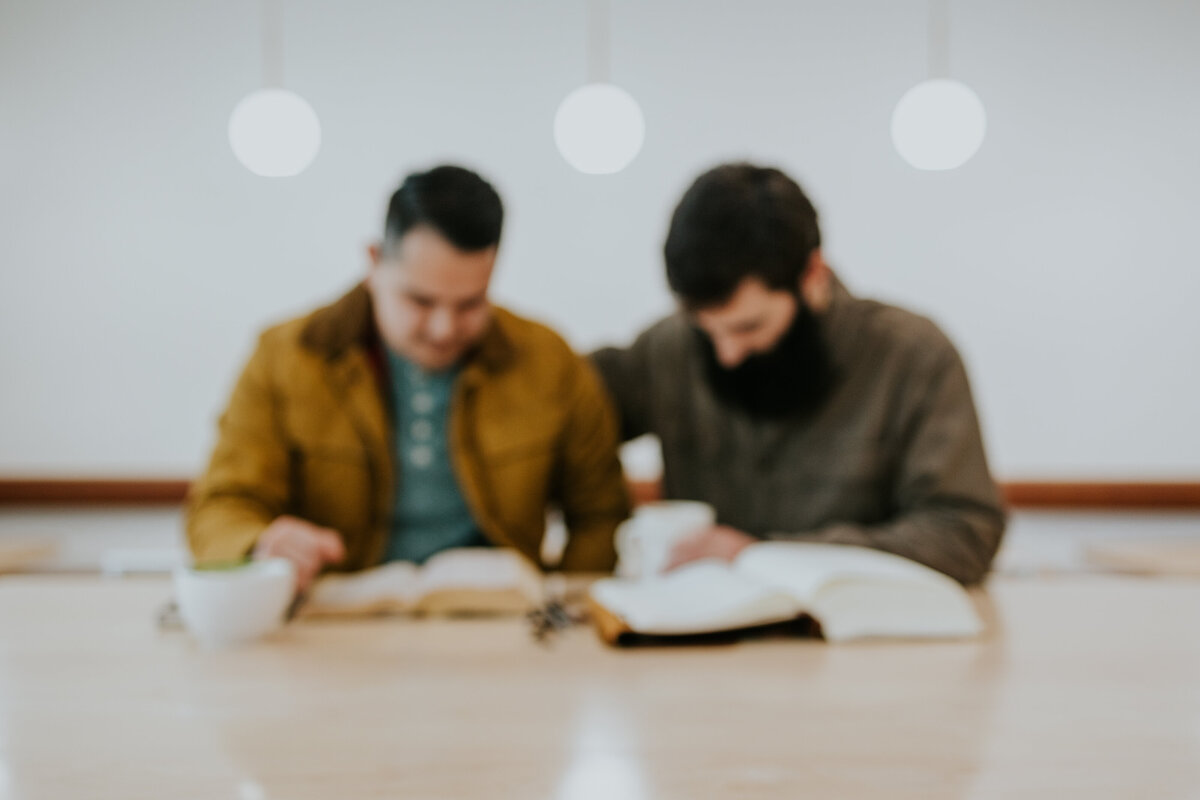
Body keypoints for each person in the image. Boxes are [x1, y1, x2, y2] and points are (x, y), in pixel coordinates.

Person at [187, 165, 629, 590]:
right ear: (374, 262)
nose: (444, 329)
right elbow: (221, 506)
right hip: (335, 636)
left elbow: (602, 514)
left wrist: (568, 604)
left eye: (470, 304)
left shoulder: (549, 360)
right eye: (420, 301)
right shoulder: (285, 357)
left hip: (503, 630)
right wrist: (260, 544)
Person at [592, 163, 1005, 584]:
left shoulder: (913, 358)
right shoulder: (668, 349)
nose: (727, 353)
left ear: (812, 275)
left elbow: (963, 533)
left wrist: (763, 555)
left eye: (748, 327)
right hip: (702, 642)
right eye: (704, 328)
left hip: (860, 641)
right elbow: (569, 399)